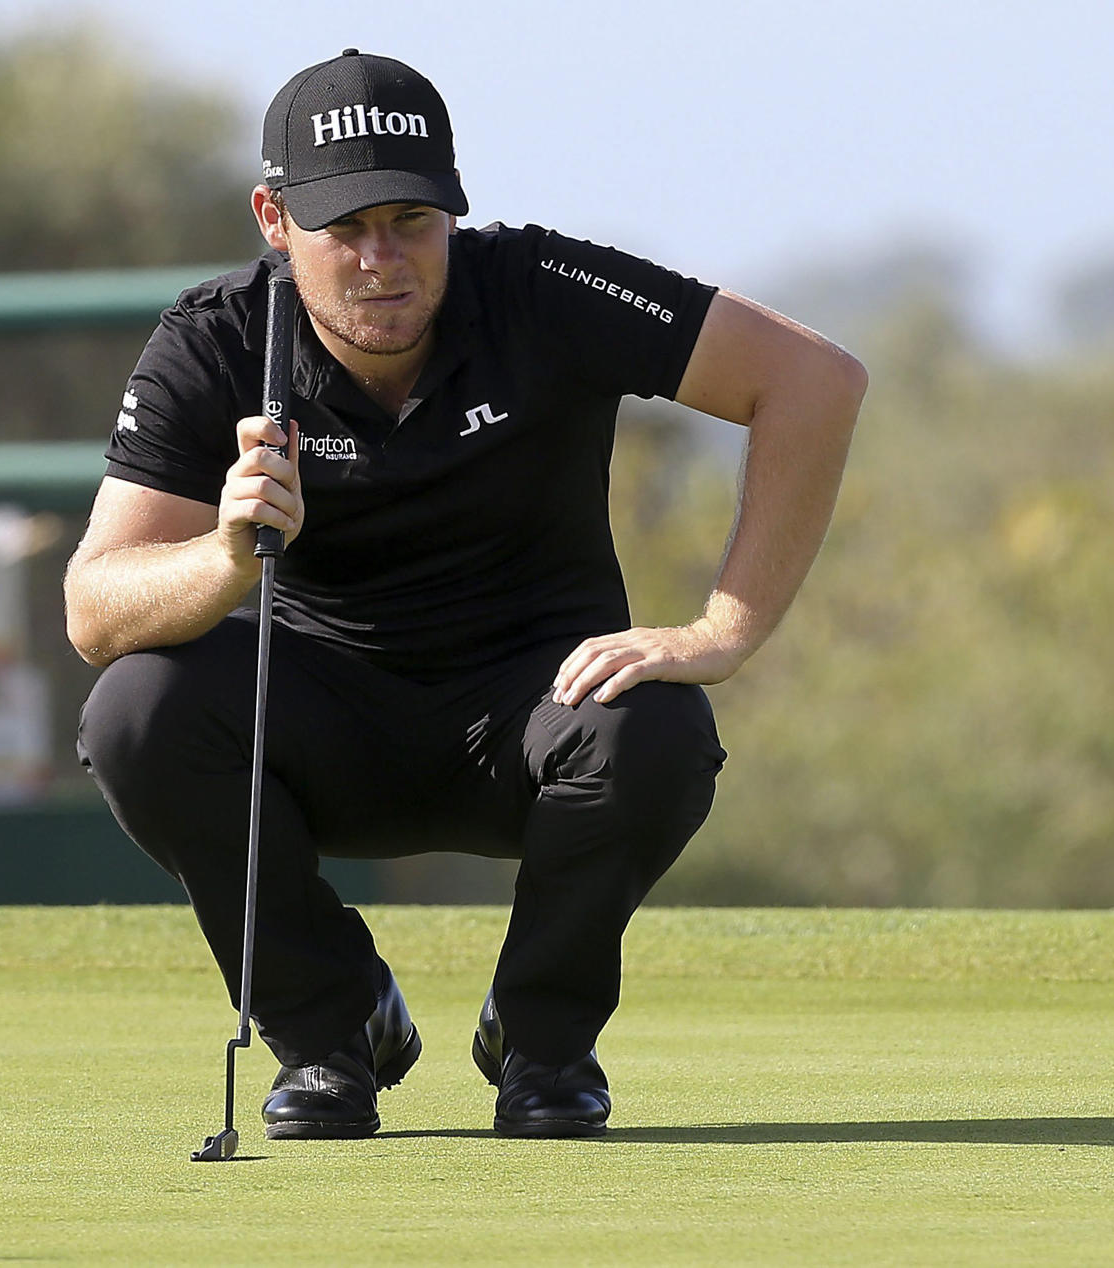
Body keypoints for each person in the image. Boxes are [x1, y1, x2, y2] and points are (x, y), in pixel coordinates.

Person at [67, 49, 866, 1141]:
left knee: (660, 720)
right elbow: (93, 610)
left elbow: (814, 381)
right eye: (344, 227)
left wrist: (724, 629)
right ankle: (335, 1026)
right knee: (136, 710)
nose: (380, 260)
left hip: (534, 717)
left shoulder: (540, 289)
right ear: (273, 215)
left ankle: (542, 1039)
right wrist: (223, 555)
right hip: (323, 723)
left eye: (411, 219)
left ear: (457, 207)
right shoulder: (216, 337)